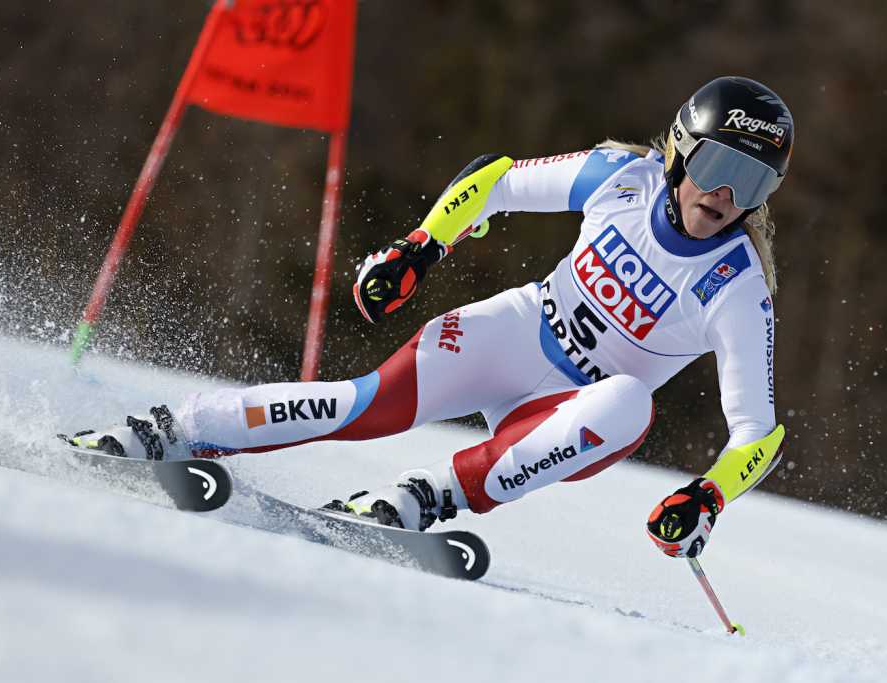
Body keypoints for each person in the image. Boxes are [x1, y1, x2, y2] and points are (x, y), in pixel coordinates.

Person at [68, 76, 793, 558]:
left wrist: (707, 497)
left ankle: (424, 497)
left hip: (567, 416)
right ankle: (173, 429)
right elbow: (496, 180)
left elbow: (757, 433)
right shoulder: (622, 179)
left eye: (753, 183)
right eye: (719, 168)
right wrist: (419, 247)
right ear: (679, 152)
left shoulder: (736, 288)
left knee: (630, 403)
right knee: (357, 404)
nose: (727, 197)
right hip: (518, 333)